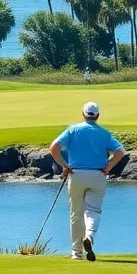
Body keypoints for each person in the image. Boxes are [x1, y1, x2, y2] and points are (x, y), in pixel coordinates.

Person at [49, 101, 126, 262]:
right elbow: (120, 152)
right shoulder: (104, 133)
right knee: (93, 211)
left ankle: (76, 253)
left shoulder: (73, 130)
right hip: (97, 175)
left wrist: (64, 165)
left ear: (83, 114)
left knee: (76, 214)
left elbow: (54, 147)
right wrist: (108, 167)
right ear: (97, 115)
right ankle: (89, 237)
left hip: (76, 175)